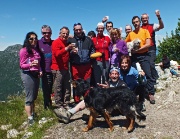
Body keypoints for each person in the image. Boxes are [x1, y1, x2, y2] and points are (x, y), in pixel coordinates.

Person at [53, 67, 127, 124]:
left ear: (119, 75)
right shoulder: (107, 82)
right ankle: (69, 113)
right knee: (89, 97)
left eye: (116, 74)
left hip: (116, 108)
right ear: (110, 75)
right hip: (107, 106)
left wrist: (108, 89)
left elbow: (123, 94)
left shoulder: (122, 84)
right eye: (112, 74)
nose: (114, 76)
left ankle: (70, 113)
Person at [125, 16, 156, 104]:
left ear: (139, 22)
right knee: (134, 75)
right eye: (134, 22)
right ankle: (136, 93)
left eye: (137, 21)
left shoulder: (145, 31)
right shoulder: (131, 34)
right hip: (134, 57)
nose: (136, 23)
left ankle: (150, 93)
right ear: (133, 23)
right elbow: (125, 43)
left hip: (144, 55)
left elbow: (149, 44)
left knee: (148, 73)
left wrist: (138, 50)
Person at [67, 23, 95, 103]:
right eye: (76, 30)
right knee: (76, 83)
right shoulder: (70, 40)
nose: (78, 31)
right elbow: (66, 52)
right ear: (74, 30)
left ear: (82, 29)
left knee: (87, 83)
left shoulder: (88, 39)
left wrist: (92, 56)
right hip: (75, 65)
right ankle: (77, 101)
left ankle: (87, 100)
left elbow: (92, 50)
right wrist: (71, 52)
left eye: (80, 29)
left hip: (87, 65)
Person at [19, 32, 42, 125]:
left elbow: (38, 63)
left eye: (35, 38)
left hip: (36, 74)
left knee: (34, 96)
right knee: (29, 97)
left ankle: (33, 113)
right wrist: (30, 65)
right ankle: (30, 118)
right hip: (28, 74)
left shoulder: (35, 50)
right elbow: (21, 65)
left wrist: (40, 70)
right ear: (27, 40)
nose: (34, 40)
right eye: (31, 39)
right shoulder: (24, 50)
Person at [51, 26, 73, 109]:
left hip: (65, 68)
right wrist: (66, 48)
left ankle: (66, 103)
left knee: (67, 86)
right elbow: (57, 54)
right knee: (58, 87)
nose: (65, 35)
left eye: (67, 34)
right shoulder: (56, 42)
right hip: (57, 69)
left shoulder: (66, 42)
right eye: (63, 33)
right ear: (59, 34)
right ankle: (59, 105)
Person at [141, 11, 164, 83]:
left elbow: (162, 26)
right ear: (141, 19)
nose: (145, 19)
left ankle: (155, 78)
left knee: (151, 64)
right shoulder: (140, 28)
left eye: (146, 18)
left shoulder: (152, 26)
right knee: (146, 65)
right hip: (143, 50)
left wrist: (159, 17)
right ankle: (150, 80)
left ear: (148, 18)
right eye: (143, 18)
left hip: (151, 49)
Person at [38, 25, 53, 109]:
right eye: (44, 33)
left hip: (54, 70)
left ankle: (52, 105)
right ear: (42, 33)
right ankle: (47, 107)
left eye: (48, 33)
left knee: (53, 89)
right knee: (46, 89)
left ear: (51, 33)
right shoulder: (38, 43)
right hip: (45, 70)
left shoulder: (54, 42)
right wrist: (39, 69)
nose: (46, 34)